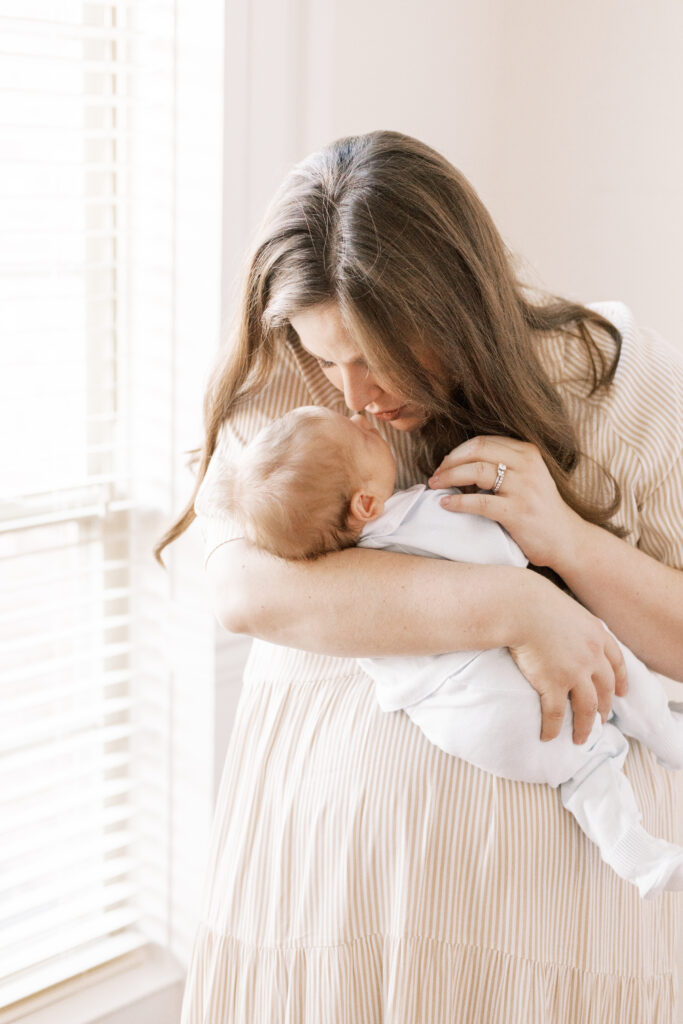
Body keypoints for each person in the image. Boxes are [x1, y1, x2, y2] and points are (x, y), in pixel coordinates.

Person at [154, 130, 683, 1023]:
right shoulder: (286, 380)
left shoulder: (603, 374)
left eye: (375, 354)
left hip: (555, 914)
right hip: (328, 891)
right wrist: (511, 606)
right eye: (331, 358)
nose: (354, 396)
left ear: (454, 306)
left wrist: (562, 542)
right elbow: (245, 593)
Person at [218, 402, 683, 899]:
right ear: (365, 505)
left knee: (586, 769)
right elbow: (502, 552)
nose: (358, 414)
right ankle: (670, 738)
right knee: (613, 669)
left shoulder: (346, 585)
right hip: (511, 691)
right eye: (356, 435)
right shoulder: (413, 515)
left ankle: (637, 855)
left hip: (473, 726)